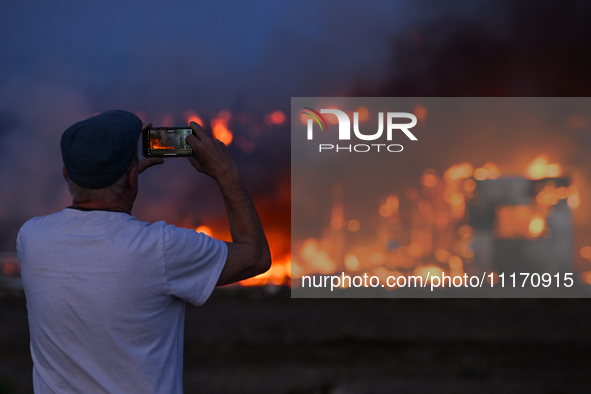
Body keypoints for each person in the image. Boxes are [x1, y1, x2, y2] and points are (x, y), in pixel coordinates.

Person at [16, 110, 271, 393]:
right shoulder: (160, 248)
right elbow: (256, 256)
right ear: (132, 177)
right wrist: (226, 173)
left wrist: (124, 177)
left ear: (66, 174)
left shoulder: (31, 237)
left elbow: (97, 226)